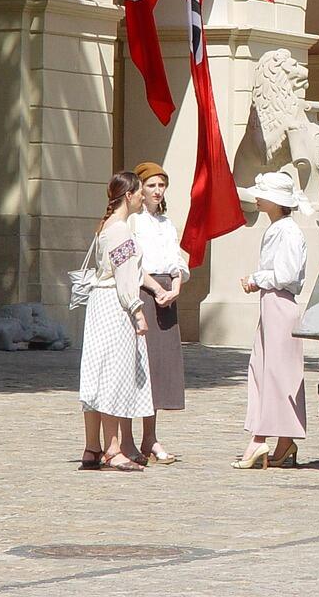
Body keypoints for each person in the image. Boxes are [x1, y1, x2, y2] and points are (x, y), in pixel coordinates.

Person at [78, 171, 154, 472]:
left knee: (96, 372)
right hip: (114, 306)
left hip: (100, 303)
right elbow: (124, 278)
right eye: (138, 192)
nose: (141, 197)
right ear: (129, 196)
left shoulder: (105, 226)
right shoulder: (120, 230)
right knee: (111, 373)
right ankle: (112, 448)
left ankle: (91, 446)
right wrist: (136, 310)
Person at [234, 172, 308, 470]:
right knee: (267, 369)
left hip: (279, 303)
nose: (257, 197)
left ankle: (260, 439)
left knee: (274, 372)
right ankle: (281, 442)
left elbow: (287, 275)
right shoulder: (280, 228)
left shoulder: (287, 231)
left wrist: (256, 278)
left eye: (262, 194)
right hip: (273, 303)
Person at [131, 160, 189, 464]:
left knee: (161, 369)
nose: (156, 190)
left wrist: (177, 285)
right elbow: (135, 264)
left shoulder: (167, 223)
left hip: (168, 293)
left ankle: (150, 437)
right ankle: (131, 438)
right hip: (146, 292)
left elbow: (177, 259)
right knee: (143, 366)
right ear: (140, 188)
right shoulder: (134, 223)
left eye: (161, 185)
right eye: (151, 185)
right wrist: (155, 289)